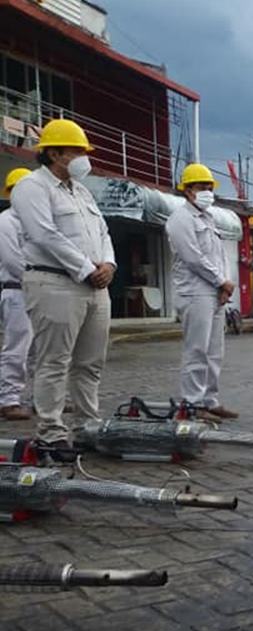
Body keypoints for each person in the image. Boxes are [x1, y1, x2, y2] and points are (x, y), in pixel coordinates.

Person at [10, 119, 115, 454]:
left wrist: (109, 264)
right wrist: (86, 269)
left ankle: (87, 427)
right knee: (54, 360)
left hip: (95, 287)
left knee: (90, 362)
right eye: (77, 151)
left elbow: (103, 232)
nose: (84, 158)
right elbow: (44, 234)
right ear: (54, 153)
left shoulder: (81, 191)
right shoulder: (32, 187)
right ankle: (51, 432)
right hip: (54, 283)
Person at [166, 163, 237, 423]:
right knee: (196, 350)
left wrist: (224, 285)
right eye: (201, 187)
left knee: (214, 351)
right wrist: (221, 281)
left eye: (209, 187)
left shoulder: (208, 218)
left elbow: (219, 256)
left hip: (214, 292)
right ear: (187, 190)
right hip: (195, 293)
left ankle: (210, 400)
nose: (207, 191)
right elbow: (193, 258)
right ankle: (192, 404)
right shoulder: (180, 219)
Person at [0, 167, 33, 420]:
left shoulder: (34, 221)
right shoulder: (6, 221)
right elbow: (13, 261)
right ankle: (9, 400)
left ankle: (44, 397)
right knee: (17, 347)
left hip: (36, 291)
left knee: (43, 348)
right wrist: (41, 279)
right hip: (17, 291)